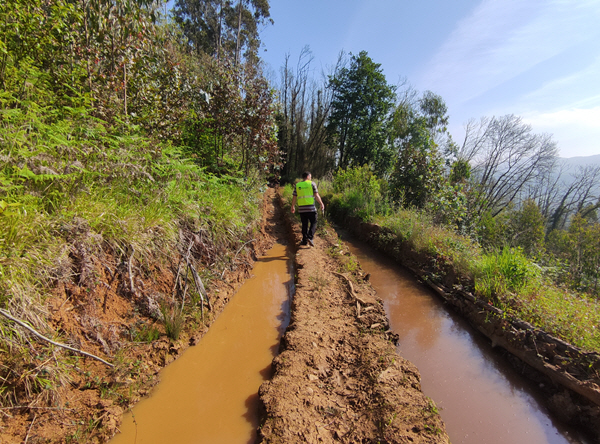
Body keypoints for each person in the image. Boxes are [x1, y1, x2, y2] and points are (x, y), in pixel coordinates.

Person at [291, 171, 325, 247]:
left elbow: (294, 197)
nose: (311, 178)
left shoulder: (297, 185)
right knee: (314, 222)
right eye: (310, 176)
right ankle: (310, 237)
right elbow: (316, 195)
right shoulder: (312, 183)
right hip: (311, 208)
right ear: (308, 176)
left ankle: (304, 240)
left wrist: (292, 206)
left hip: (301, 209)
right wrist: (321, 204)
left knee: (304, 224)